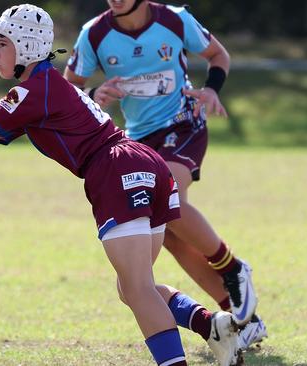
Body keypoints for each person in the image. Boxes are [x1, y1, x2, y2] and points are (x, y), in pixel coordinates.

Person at [0, 4, 242, 365]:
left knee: (138, 287)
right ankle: (211, 325)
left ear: (26, 47)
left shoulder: (31, 92)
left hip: (114, 170)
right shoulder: (40, 89)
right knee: (132, 286)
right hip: (143, 162)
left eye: (2, 42)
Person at [63, 0, 267, 348]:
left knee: (172, 194)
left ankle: (233, 268)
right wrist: (94, 94)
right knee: (171, 234)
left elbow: (219, 56)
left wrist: (212, 90)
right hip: (139, 138)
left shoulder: (175, 19)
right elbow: (69, 90)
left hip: (184, 122)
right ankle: (242, 321)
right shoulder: (93, 34)